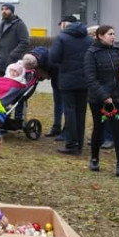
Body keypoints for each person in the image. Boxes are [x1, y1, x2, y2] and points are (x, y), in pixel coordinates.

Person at [84, 25, 119, 177]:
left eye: (114, 34)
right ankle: (94, 159)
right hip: (98, 99)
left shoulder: (118, 52)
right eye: (109, 34)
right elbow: (90, 78)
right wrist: (104, 97)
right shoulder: (91, 53)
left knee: (117, 129)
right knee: (98, 128)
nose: (113, 36)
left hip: (118, 97)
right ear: (99, 36)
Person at [50, 16, 91, 155]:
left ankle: (71, 143)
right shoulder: (88, 39)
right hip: (85, 81)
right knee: (81, 112)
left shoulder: (62, 38)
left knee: (70, 111)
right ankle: (79, 143)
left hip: (67, 80)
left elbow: (53, 57)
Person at [0, 3, 29, 76]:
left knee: (11, 85)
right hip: (1, 62)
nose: (4, 11)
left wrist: (12, 55)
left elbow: (25, 42)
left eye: (6, 9)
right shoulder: (1, 24)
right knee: (2, 84)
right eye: (2, 9)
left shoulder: (19, 24)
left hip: (13, 63)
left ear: (12, 11)